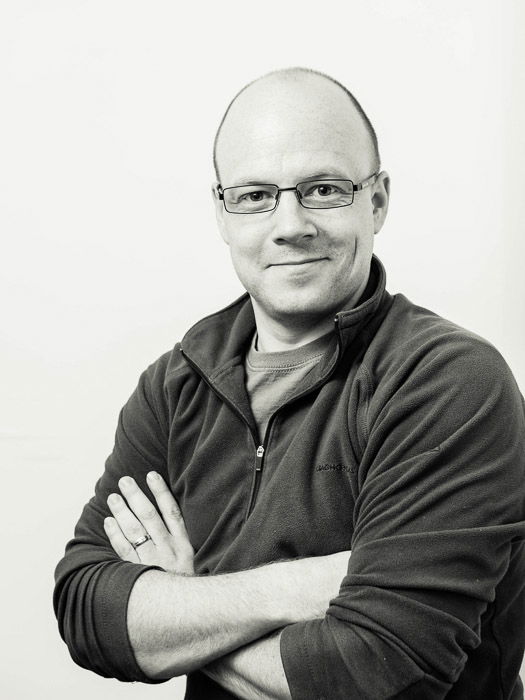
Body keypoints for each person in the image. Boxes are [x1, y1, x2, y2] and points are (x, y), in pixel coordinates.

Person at [53, 67, 525, 699]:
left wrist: (180, 607)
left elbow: (376, 676)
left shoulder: (448, 382)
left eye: (325, 189)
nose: (290, 222)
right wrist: (307, 587)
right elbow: (86, 609)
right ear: (223, 214)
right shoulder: (175, 383)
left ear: (377, 201)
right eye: (254, 196)